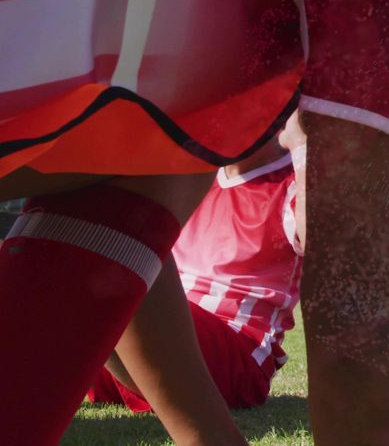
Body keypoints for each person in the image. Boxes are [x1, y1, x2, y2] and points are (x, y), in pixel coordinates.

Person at [0, 0, 389, 443]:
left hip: (225, 349)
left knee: (139, 158)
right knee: (151, 151)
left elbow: (332, 236)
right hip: (173, 329)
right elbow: (356, 252)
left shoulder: (260, 178)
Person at [87, 135, 304, 413]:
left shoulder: (294, 182)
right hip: (162, 330)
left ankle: (163, 388)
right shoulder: (192, 174)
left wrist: (304, 146)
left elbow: (324, 241)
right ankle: (145, 381)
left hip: (236, 350)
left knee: (115, 274)